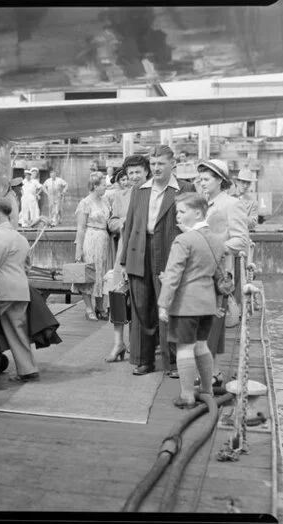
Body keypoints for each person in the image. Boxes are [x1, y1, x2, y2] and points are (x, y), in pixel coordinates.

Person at [119, 145, 195, 376]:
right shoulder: (140, 190)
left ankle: (172, 362)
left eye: (161, 164)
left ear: (173, 164)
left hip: (170, 251)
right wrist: (124, 262)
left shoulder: (184, 189)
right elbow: (129, 225)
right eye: (153, 164)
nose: (156, 168)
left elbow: (190, 225)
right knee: (141, 307)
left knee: (168, 305)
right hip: (140, 250)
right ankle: (144, 360)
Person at [157, 193, 226, 408]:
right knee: (202, 346)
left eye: (182, 211)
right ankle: (206, 390)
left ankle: (187, 396)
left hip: (185, 304)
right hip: (207, 304)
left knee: (185, 348)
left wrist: (163, 303)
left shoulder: (183, 240)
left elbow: (173, 274)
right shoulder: (216, 239)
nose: (178, 216)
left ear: (197, 213)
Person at [0, 198, 39, 382]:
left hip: (2, 291)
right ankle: (28, 369)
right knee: (18, 331)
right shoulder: (20, 238)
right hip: (20, 290)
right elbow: (27, 266)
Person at [197, 159, 250, 386]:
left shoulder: (231, 204)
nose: (202, 183)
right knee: (205, 323)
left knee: (212, 323)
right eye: (200, 179)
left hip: (219, 272)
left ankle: (209, 374)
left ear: (220, 180)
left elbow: (241, 240)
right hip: (200, 270)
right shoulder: (202, 203)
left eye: (207, 179)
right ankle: (214, 372)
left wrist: (216, 247)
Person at [105, 155, 150, 362]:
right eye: (130, 173)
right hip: (123, 254)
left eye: (137, 172)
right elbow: (111, 223)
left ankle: (138, 343)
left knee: (142, 301)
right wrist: (123, 222)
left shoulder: (153, 194)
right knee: (117, 298)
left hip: (144, 255)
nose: (133, 176)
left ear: (146, 172)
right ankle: (118, 342)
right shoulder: (120, 196)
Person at [72, 172, 112, 321]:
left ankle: (100, 306)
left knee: (102, 274)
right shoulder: (85, 203)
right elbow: (81, 228)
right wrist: (78, 250)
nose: (105, 187)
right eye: (103, 185)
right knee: (89, 273)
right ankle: (89, 308)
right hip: (90, 238)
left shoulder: (105, 200)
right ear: (95, 186)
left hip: (104, 239)